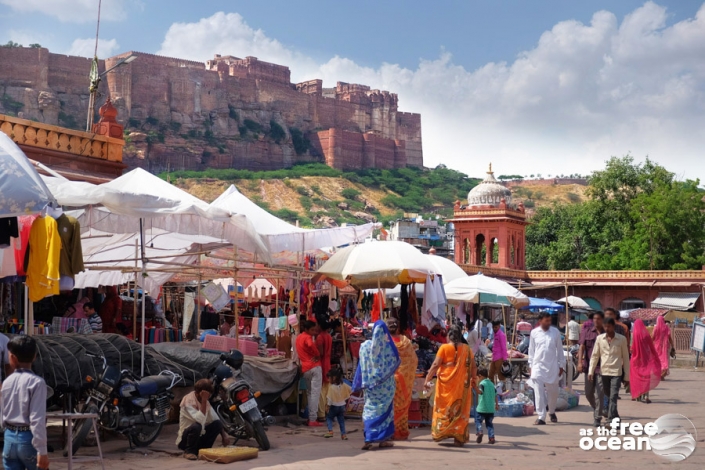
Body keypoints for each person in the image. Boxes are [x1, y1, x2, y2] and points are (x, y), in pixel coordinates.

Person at [1, 336, 49, 470]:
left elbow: (2, 412)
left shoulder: (6, 382)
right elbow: (37, 420)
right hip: (28, 438)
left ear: (12, 358)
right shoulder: (37, 382)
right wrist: (42, 451)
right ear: (34, 356)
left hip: (9, 437)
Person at [424, 325, 476, 447]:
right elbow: (473, 366)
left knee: (444, 408)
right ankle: (458, 437)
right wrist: (474, 380)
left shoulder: (444, 348)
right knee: (460, 409)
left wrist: (427, 379)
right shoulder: (467, 349)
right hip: (462, 386)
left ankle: (441, 433)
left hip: (445, 385)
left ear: (448, 336)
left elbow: (436, 364)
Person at [353, 320, 400, 450]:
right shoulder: (387, 347)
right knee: (386, 411)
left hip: (370, 386)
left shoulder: (364, 346)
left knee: (370, 410)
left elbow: (361, 366)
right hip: (386, 387)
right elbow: (395, 362)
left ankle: (368, 439)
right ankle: (383, 440)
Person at [176, 379, 229, 460]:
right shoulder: (188, 401)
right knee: (197, 426)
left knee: (217, 424)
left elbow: (215, 418)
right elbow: (199, 420)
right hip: (186, 441)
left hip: (199, 438)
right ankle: (189, 452)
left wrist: (224, 436)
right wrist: (204, 401)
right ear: (200, 393)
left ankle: (204, 450)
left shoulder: (205, 402)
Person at [589, 317, 630, 422]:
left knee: (613, 396)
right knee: (608, 396)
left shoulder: (621, 339)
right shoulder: (600, 339)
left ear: (613, 327)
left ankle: (610, 420)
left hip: (616, 372)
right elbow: (595, 356)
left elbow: (625, 357)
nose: (607, 329)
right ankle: (616, 417)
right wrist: (591, 371)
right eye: (605, 326)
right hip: (604, 372)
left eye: (609, 326)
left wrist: (627, 376)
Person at [528, 312, 565, 425]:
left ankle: (552, 411)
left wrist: (561, 365)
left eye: (550, 321)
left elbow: (559, 350)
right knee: (538, 391)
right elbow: (531, 350)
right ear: (540, 321)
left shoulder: (555, 332)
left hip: (552, 366)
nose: (549, 323)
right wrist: (531, 365)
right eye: (546, 321)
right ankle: (541, 416)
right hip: (538, 365)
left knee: (553, 391)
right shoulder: (534, 333)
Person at [386, 317, 418, 440]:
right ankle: (400, 431)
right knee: (401, 405)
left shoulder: (384, 341)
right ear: (398, 327)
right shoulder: (406, 342)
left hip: (387, 380)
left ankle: (388, 432)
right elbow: (413, 360)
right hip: (403, 380)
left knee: (388, 406)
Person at [578, 311, 605, 426]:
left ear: (602, 320)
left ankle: (597, 417)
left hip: (603, 367)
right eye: (594, 319)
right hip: (589, 366)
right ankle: (598, 409)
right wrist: (579, 362)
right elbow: (582, 347)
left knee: (600, 393)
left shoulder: (607, 332)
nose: (596, 321)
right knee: (588, 393)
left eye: (598, 319)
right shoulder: (587, 331)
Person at [295, 321, 323, 427]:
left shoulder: (298, 338)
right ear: (306, 329)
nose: (313, 332)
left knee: (310, 393)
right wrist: (317, 354)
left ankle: (311, 418)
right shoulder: (307, 337)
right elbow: (310, 344)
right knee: (315, 394)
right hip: (314, 367)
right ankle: (312, 419)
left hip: (305, 369)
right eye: (312, 330)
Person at [630, 319, 662, 404]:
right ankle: (647, 396)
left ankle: (637, 395)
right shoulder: (646, 335)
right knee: (647, 376)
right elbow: (651, 346)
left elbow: (631, 348)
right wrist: (654, 356)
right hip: (646, 358)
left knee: (636, 376)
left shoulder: (633, 335)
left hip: (636, 359)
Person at [324, 369, 352, 440]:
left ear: (334, 378)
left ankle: (330, 431)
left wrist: (327, 406)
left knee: (329, 418)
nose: (328, 380)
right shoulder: (344, 385)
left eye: (329, 378)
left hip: (334, 406)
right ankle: (343, 435)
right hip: (342, 406)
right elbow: (351, 389)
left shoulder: (331, 387)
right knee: (341, 421)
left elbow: (329, 399)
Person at [474, 367, 499, 444]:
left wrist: (474, 387)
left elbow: (480, 392)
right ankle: (491, 438)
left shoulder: (482, 384)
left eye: (478, 377)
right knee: (489, 424)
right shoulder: (492, 384)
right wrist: (496, 405)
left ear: (480, 376)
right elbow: (495, 395)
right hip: (491, 409)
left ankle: (480, 431)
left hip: (482, 408)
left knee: (478, 421)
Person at [316, 324, 333, 421]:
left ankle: (321, 413)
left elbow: (320, 353)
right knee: (327, 388)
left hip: (322, 363)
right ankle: (328, 411)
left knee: (321, 390)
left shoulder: (320, 337)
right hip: (328, 362)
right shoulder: (329, 336)